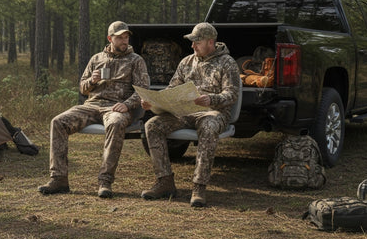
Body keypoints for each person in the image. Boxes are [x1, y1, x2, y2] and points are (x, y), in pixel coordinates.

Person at [38, 21, 149, 198]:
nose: (124, 41)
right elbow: (82, 89)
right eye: (120, 37)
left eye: (126, 37)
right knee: (58, 122)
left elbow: (143, 90)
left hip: (116, 107)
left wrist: (127, 105)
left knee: (116, 122)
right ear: (110, 38)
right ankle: (58, 179)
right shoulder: (96, 59)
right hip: (92, 105)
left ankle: (105, 181)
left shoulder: (136, 61)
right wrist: (92, 81)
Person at [140, 22, 239, 207]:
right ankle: (165, 182)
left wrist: (211, 99)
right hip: (185, 112)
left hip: (213, 112)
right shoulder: (186, 62)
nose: (192, 46)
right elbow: (172, 89)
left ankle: (199, 186)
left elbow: (232, 94)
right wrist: (154, 102)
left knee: (208, 127)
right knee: (152, 125)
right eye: (192, 42)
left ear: (211, 42)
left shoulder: (227, 63)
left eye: (197, 42)